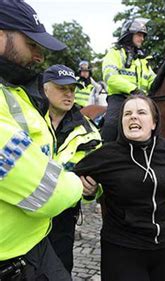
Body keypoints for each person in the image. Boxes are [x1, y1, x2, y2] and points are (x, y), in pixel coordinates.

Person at [73, 95, 165, 281]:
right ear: (121, 123)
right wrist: (88, 191)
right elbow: (73, 177)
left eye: (141, 112)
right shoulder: (105, 155)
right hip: (123, 249)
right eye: (127, 114)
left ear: (154, 122)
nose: (133, 117)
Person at [0, 1, 93, 280]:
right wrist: (76, 180)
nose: (40, 57)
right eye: (32, 44)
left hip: (35, 245)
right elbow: (48, 193)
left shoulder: (16, 92)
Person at [42, 64, 102, 273]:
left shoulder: (90, 132)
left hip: (63, 215)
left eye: (72, 89)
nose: (69, 94)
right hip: (24, 212)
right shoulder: (26, 119)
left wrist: (93, 190)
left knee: (60, 269)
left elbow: (97, 177)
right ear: (45, 88)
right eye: (62, 88)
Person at [101, 18, 156, 142]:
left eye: (143, 36)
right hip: (119, 98)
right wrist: (133, 89)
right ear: (128, 34)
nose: (142, 39)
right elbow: (110, 77)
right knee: (112, 124)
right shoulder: (115, 53)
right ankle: (104, 151)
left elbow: (152, 79)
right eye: (139, 35)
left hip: (142, 99)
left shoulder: (143, 59)